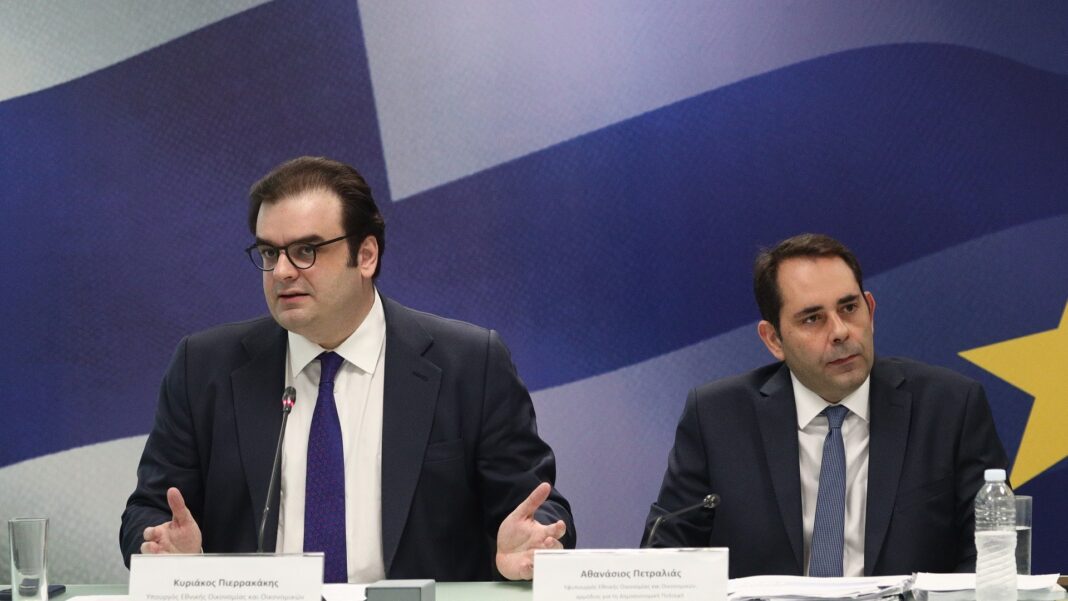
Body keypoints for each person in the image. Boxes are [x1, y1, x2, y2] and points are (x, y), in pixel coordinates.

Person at [120, 156, 575, 582]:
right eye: (269, 253)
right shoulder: (204, 368)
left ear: (367, 256)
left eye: (306, 250)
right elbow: (150, 510)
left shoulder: (470, 364)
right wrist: (162, 547)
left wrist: (534, 542)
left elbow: (538, 509)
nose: (282, 272)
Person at [642, 233, 1007, 578]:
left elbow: (993, 561)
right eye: (812, 318)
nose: (840, 331)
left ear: (870, 311)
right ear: (774, 339)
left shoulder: (950, 408)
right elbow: (665, 561)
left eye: (849, 308)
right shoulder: (717, 419)